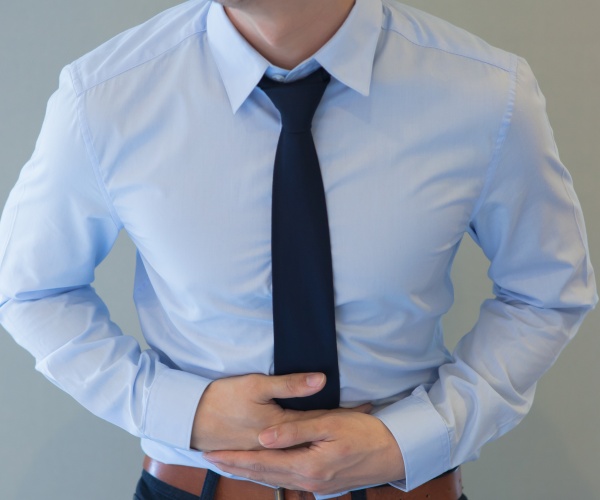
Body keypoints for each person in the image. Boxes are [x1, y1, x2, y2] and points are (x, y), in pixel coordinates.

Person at [0, 0, 596, 499]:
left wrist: (419, 435)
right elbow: (30, 290)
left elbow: (546, 292)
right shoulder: (103, 97)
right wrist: (178, 410)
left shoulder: (488, 92)